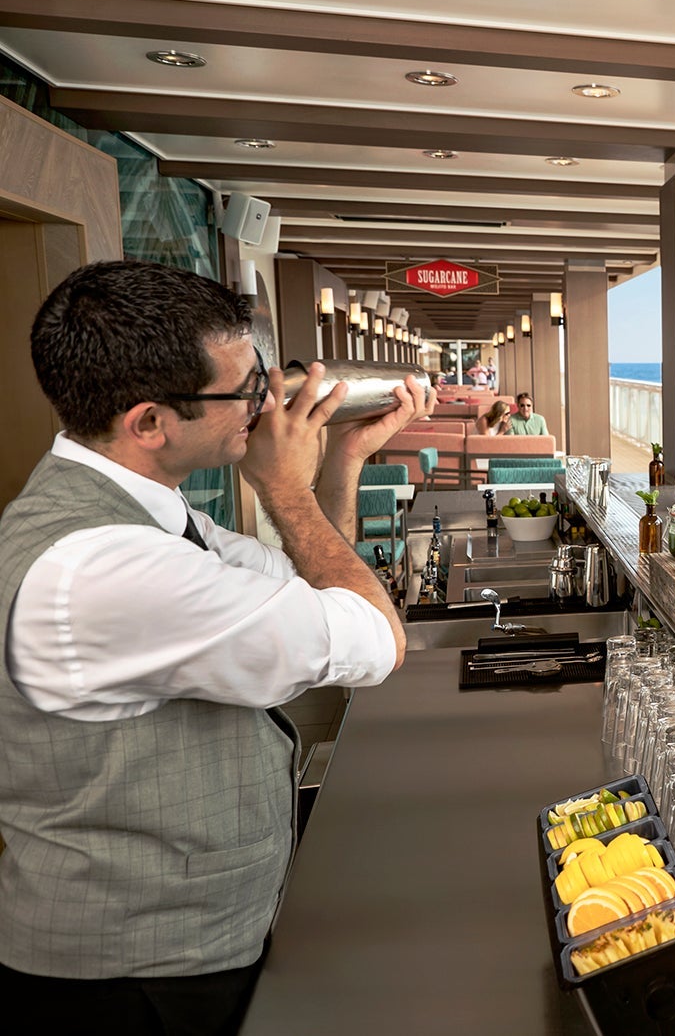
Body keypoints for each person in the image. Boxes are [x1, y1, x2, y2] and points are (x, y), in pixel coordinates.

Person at [0, 259, 432, 1035]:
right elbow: (374, 640)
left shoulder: (148, 518)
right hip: (134, 976)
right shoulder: (103, 568)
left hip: (176, 950)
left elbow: (312, 590)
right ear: (149, 422)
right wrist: (285, 489)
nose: (266, 405)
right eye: (246, 391)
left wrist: (342, 462)